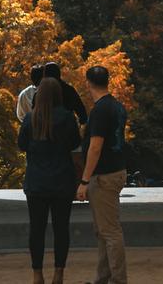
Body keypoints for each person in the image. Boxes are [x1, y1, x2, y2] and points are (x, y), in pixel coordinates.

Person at [18, 76, 80, 284]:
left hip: (37, 181)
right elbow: (74, 144)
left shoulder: (30, 119)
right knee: (61, 228)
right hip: (62, 179)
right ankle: (59, 273)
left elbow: (22, 145)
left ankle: (37, 274)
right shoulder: (68, 118)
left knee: (37, 229)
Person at [77, 65, 128, 284]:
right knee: (104, 230)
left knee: (109, 231)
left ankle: (117, 279)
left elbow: (95, 147)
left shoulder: (99, 111)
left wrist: (84, 180)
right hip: (117, 169)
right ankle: (103, 277)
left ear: (88, 83)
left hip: (104, 175)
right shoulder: (117, 106)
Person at [41, 61, 88, 126]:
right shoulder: (69, 89)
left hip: (46, 128)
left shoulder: (40, 92)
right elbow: (82, 112)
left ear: (44, 75)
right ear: (59, 73)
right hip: (67, 125)